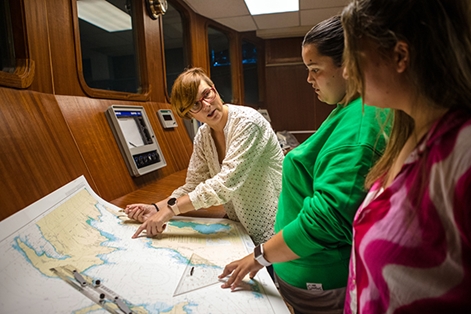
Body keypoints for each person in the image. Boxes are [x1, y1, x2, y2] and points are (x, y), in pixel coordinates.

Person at [219, 16, 388, 314]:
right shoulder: (346, 109)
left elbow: (323, 223)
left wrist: (258, 257)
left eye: (315, 69)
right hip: (300, 270)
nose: (309, 80)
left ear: (349, 66)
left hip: (320, 279)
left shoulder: (361, 125)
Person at [340, 0, 471, 313]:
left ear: (400, 55)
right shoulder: (406, 135)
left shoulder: (462, 152)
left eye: (354, 58)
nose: (346, 71)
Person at [124, 67, 284, 246]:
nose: (206, 105)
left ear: (214, 88)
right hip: (242, 233)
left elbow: (224, 185)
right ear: (188, 114)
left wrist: (170, 210)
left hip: (275, 231)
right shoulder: (203, 135)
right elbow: (193, 185)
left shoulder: (248, 122)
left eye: (206, 94)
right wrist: (156, 208)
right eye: (195, 105)